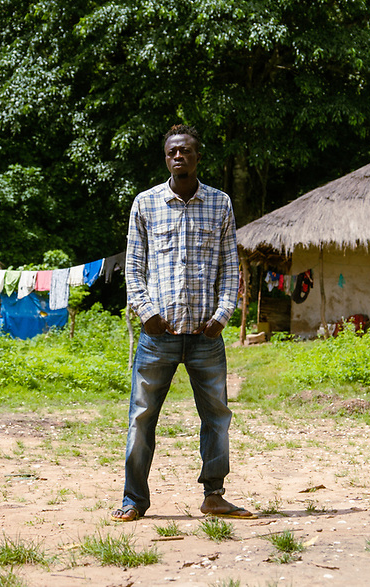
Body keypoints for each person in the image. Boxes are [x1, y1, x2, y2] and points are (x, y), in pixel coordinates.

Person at [111, 124, 255, 522]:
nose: (179, 156)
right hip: (159, 335)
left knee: (217, 417)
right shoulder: (145, 203)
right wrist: (147, 313)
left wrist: (222, 315)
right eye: (173, 151)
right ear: (166, 158)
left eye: (186, 150)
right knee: (141, 417)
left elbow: (230, 268)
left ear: (197, 157)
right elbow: (134, 267)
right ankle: (134, 500)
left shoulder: (220, 203)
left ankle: (214, 495)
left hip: (206, 335)